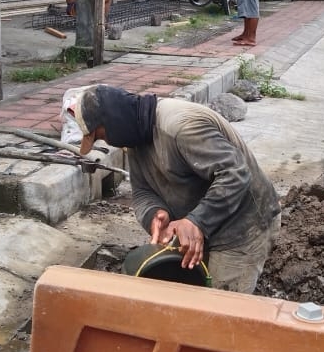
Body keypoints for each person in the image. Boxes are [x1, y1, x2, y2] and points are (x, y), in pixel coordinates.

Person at [65, 84, 282, 294]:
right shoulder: (134, 136)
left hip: (242, 228)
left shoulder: (181, 127)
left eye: (102, 135)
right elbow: (142, 192)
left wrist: (196, 222)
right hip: (204, 224)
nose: (109, 142)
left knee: (220, 313)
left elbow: (235, 174)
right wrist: (155, 214)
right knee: (189, 298)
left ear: (114, 121)